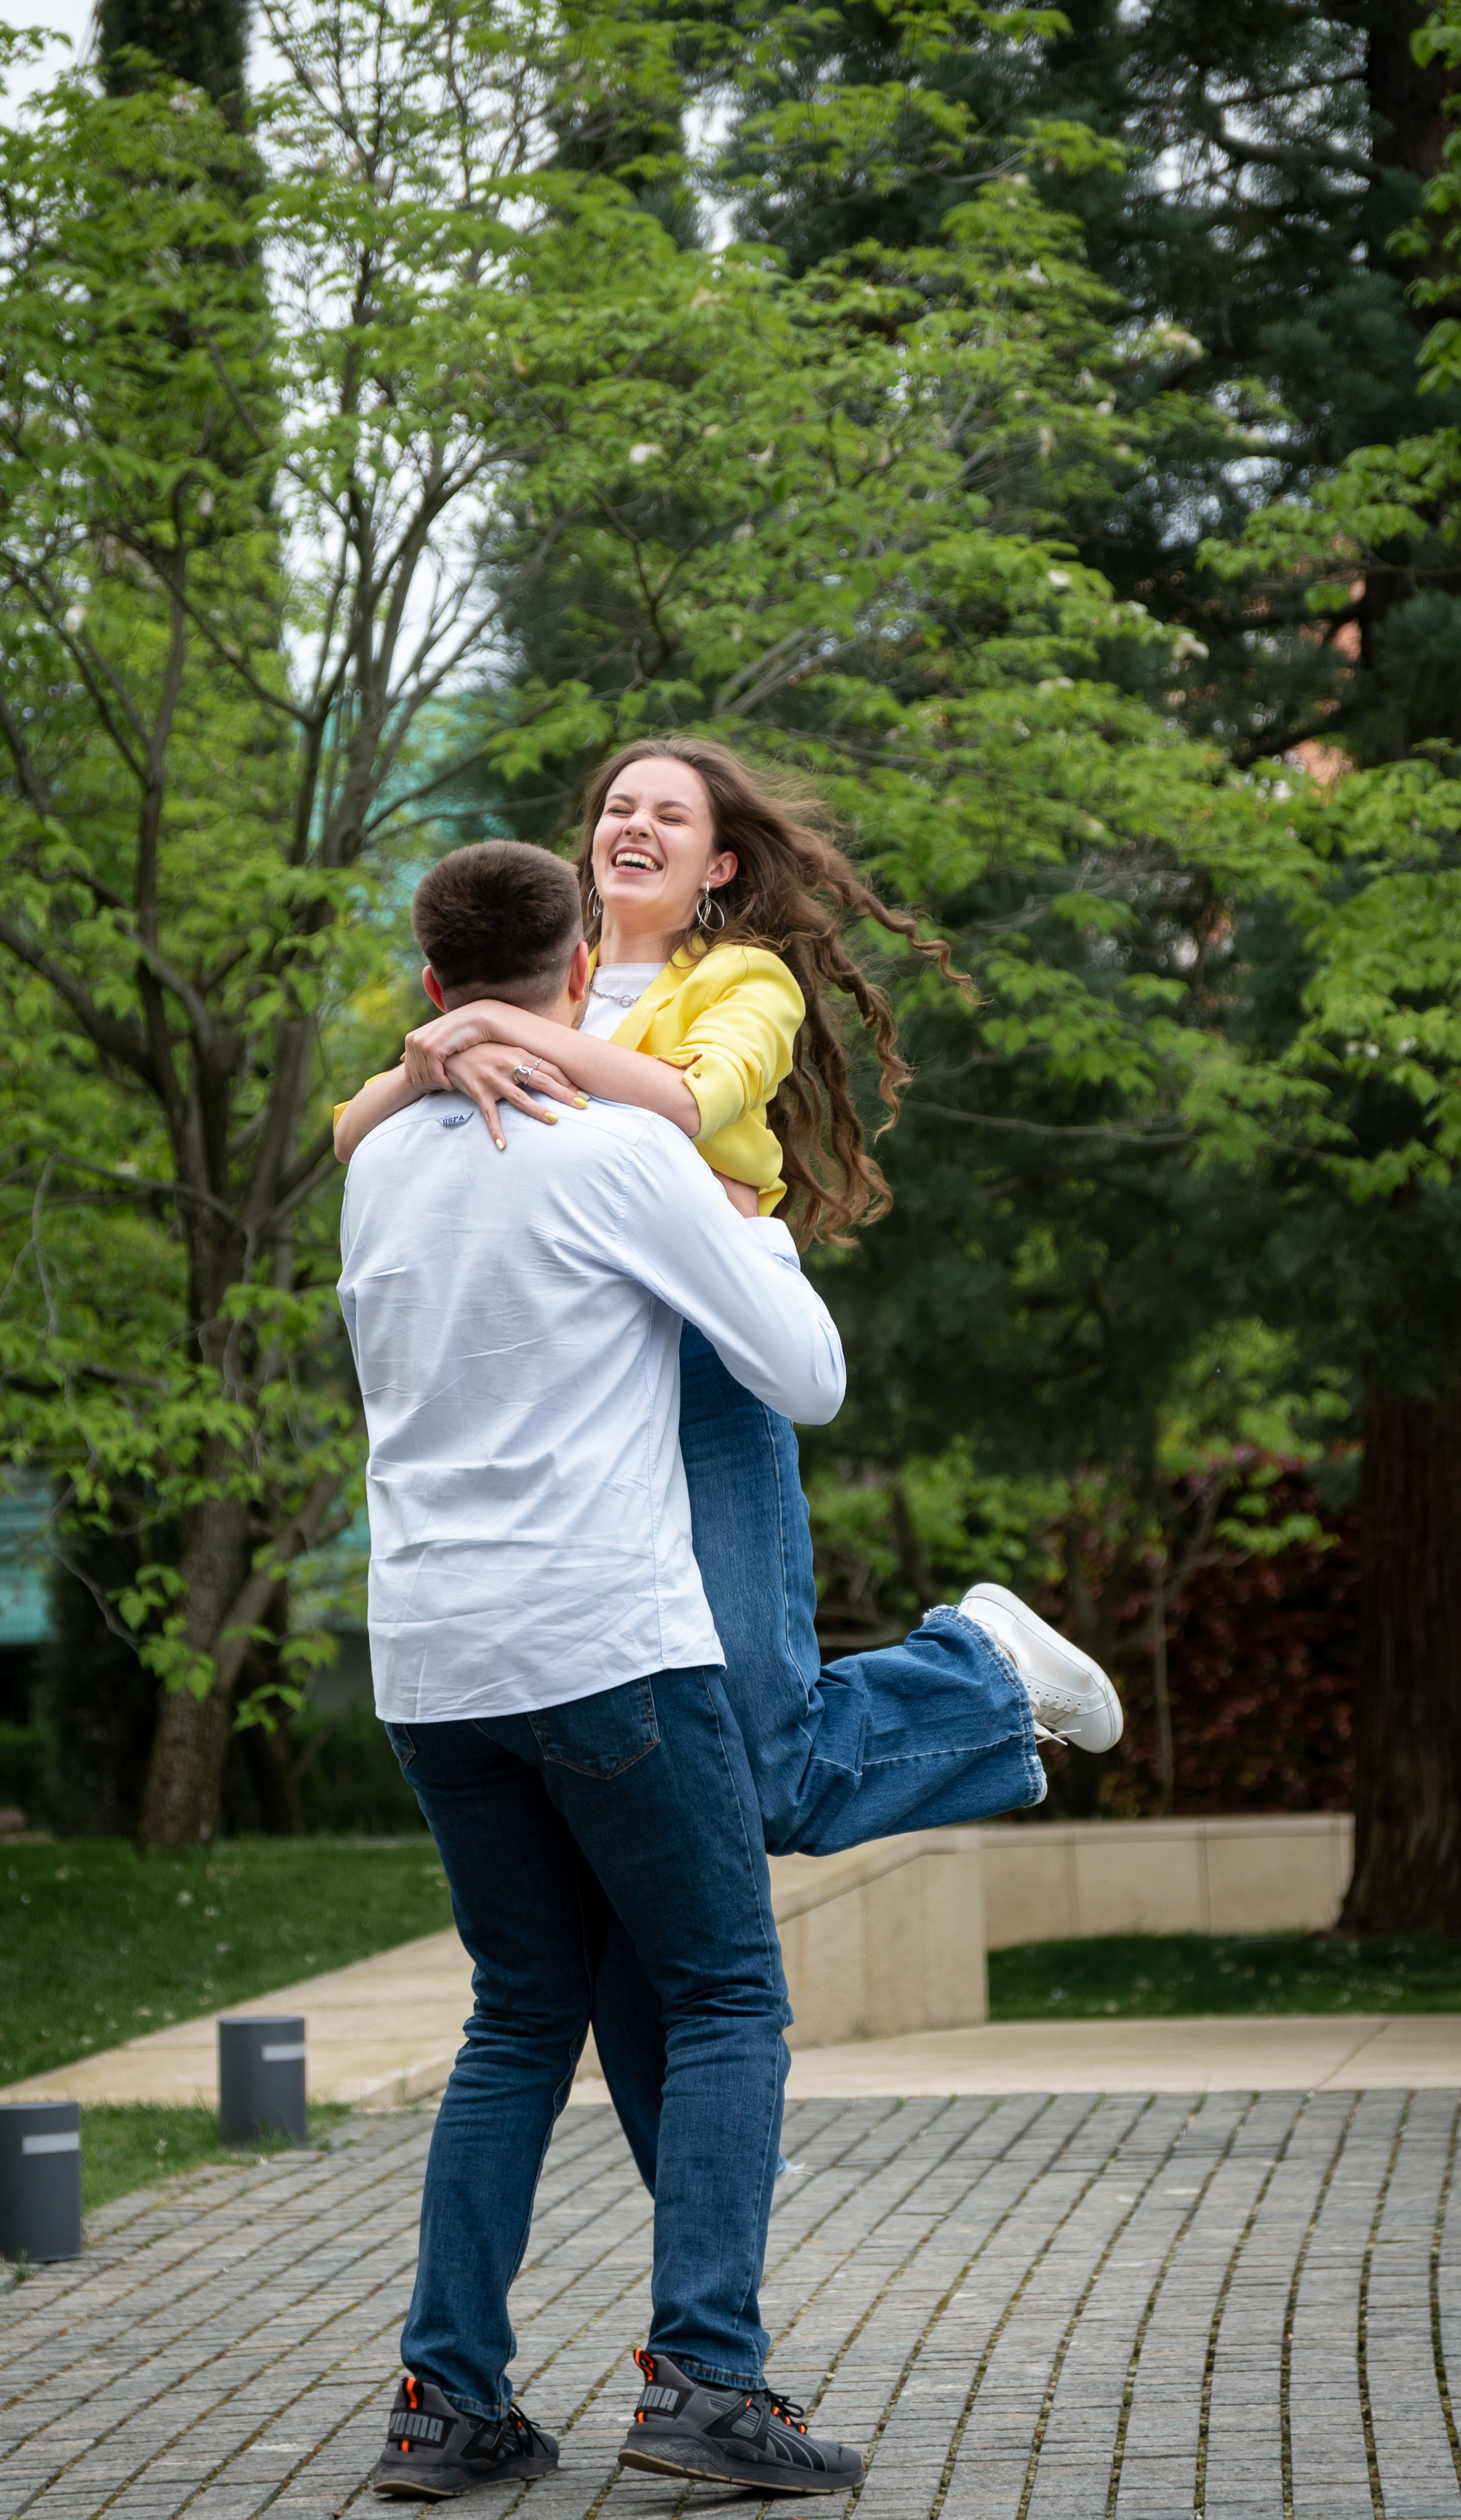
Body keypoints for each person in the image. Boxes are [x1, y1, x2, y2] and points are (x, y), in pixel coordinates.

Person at [335, 739, 1123, 1881]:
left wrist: (497, 1036)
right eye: (617, 806)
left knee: (764, 1764)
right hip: (576, 1374)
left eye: (670, 814)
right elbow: (355, 1132)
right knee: (665, 1768)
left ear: (718, 865)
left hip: (708, 1353)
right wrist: (426, 1061)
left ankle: (984, 1672)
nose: (634, 825)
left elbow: (694, 1099)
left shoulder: (741, 980)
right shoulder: (540, 967)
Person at [343, 841, 870, 2501]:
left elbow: (377, 1122)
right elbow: (805, 1381)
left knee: (519, 2014)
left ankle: (446, 2403)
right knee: (723, 2000)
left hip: (432, 1661)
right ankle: (705, 2388)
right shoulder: (620, 1150)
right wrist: (747, 1225)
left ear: (433, 990)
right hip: (608, 1648)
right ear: (582, 979)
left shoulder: (376, 1168)